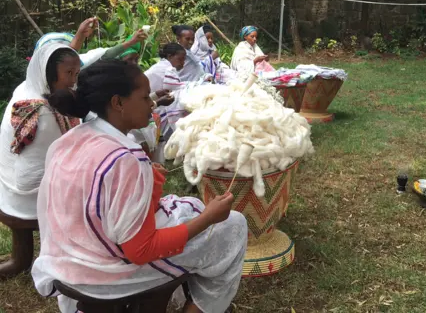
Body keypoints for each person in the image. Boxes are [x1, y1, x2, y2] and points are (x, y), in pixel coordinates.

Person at [32, 60, 247, 313]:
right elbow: (140, 250)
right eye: (145, 97)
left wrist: (147, 182)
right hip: (101, 273)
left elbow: (96, 199)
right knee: (233, 225)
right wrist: (210, 218)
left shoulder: (69, 140)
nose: (151, 104)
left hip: (67, 261)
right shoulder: (126, 158)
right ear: (118, 103)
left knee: (186, 207)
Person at [0, 43, 81, 220]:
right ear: (49, 74)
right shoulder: (42, 115)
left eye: (76, 73)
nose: (74, 81)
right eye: (68, 73)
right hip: (26, 199)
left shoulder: (26, 88)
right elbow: (27, 181)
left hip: (7, 187)